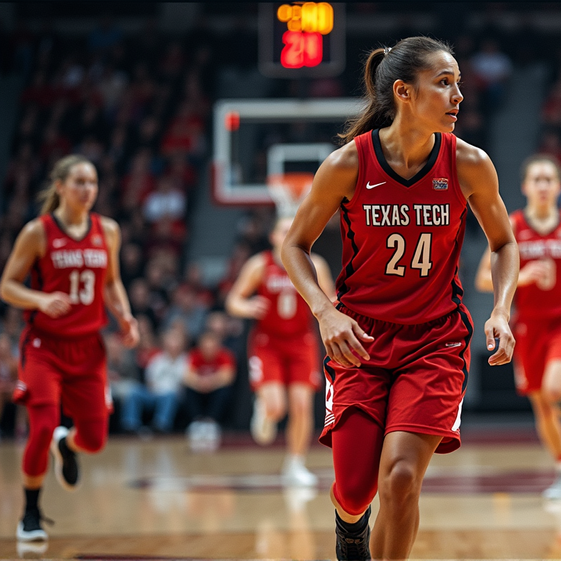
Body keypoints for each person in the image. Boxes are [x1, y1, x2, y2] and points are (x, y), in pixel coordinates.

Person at [280, 37, 517, 561]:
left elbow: (503, 244)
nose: (459, 95)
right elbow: (292, 246)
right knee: (355, 488)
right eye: (445, 83)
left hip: (435, 338)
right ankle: (348, 524)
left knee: (403, 476)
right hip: (359, 339)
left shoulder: (470, 163)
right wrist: (325, 311)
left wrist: (501, 307)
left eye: (458, 83)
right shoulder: (346, 165)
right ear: (405, 93)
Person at [0, 155, 139, 542]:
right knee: (41, 426)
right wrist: (39, 300)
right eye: (79, 182)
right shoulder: (38, 231)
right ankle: (30, 512)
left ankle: (69, 443)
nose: (87, 189)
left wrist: (125, 316)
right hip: (44, 346)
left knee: (94, 440)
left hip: (89, 348)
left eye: (92, 182)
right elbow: (7, 285)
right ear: (59, 186)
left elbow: (111, 283)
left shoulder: (107, 230)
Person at [474, 154, 561, 500]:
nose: (543, 185)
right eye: (537, 179)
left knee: (555, 389)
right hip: (528, 326)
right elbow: (484, 278)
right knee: (542, 406)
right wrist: (523, 276)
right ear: (525, 187)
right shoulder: (512, 226)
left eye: (549, 179)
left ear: (559, 187)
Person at [226, 216, 336, 485]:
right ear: (273, 236)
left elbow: (331, 299)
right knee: (277, 407)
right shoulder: (259, 265)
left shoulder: (315, 263)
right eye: (283, 230)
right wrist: (248, 306)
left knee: (301, 405)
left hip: (302, 341)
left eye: (293, 229)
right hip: (268, 342)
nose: (289, 233)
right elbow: (233, 301)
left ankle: (295, 464)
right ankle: (265, 411)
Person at [183, 329, 236, 451]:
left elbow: (228, 376)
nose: (208, 350)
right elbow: (187, 376)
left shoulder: (225, 355)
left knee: (224, 390)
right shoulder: (194, 355)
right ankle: (197, 422)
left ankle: (211, 423)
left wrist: (210, 382)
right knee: (188, 389)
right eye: (206, 347)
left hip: (215, 390)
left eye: (211, 347)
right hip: (199, 390)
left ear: (217, 346)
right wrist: (200, 382)